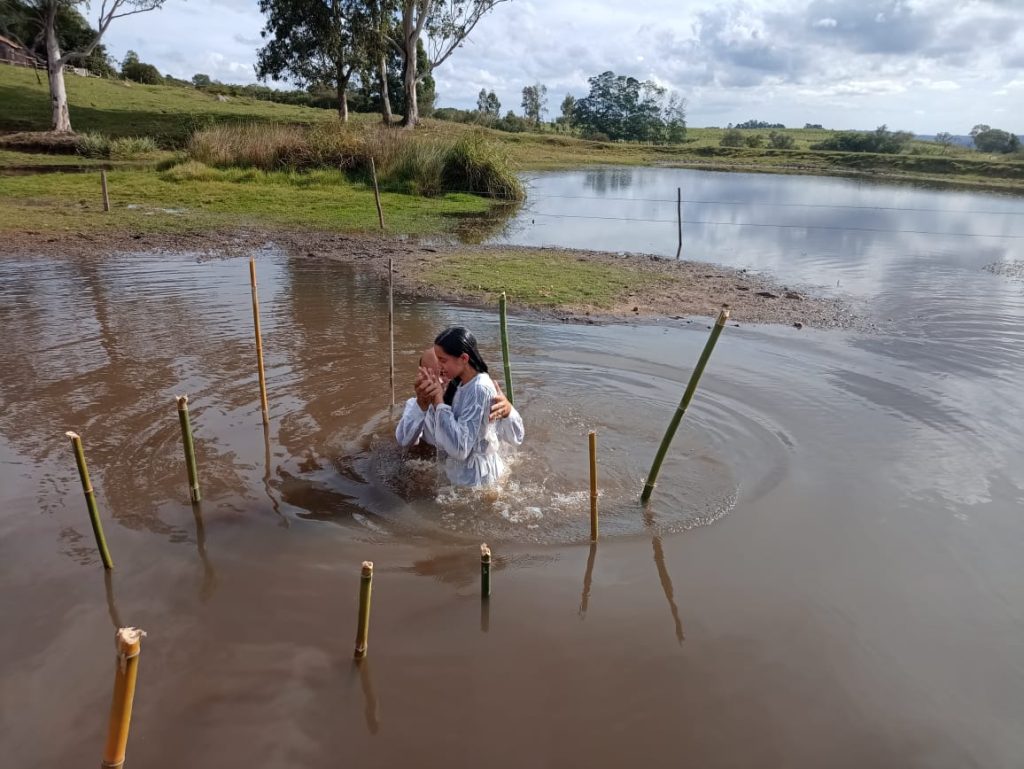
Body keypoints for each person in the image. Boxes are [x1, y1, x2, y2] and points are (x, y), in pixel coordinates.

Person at [414, 326, 518, 487]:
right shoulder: (461, 383)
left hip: (478, 480)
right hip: (466, 474)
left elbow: (461, 449)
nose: (439, 367)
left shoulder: (479, 388)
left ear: (463, 358)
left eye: (443, 360)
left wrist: (438, 402)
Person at [395, 344, 524, 449]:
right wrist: (421, 406)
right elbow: (403, 442)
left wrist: (508, 412)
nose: (439, 382)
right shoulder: (416, 404)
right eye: (429, 375)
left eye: (443, 374)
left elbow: (516, 439)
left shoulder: (477, 398)